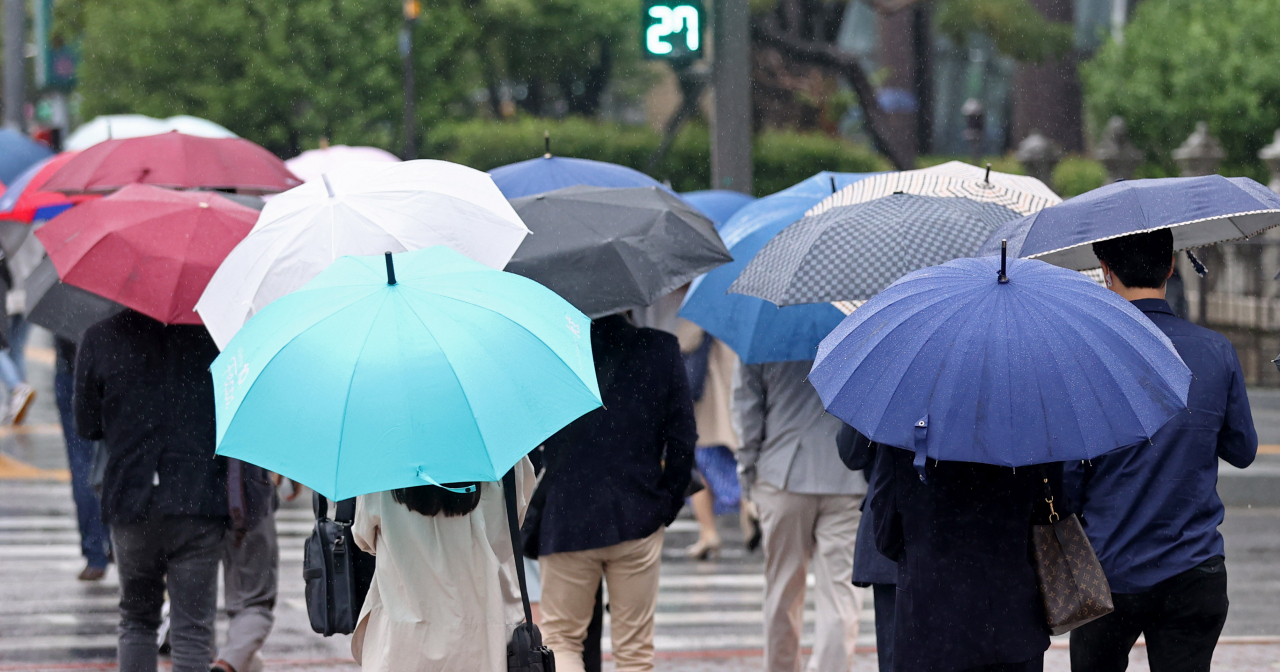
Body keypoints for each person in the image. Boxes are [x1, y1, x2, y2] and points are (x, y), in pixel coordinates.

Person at [1066, 229, 1257, 672]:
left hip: (1108, 571)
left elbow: (1070, 476)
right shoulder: (1215, 350)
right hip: (1194, 567)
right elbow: (1243, 450)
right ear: (1171, 267)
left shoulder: (1087, 354)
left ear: (1106, 272)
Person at [537, 313, 695, 672]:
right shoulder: (660, 349)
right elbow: (683, 441)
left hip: (567, 516)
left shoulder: (556, 353)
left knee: (562, 641)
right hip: (637, 513)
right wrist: (665, 507)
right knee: (634, 653)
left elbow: (533, 441)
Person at [74, 309, 227, 672]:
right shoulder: (215, 338)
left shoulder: (100, 336)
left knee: (137, 620)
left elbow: (87, 425)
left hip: (132, 498)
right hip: (198, 498)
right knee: (192, 631)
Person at [870, 446, 1058, 672]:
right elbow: (1051, 514)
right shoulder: (1030, 437)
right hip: (1013, 623)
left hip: (931, 623)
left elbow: (886, 537)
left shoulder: (905, 440)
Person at [733, 360, 865, 672]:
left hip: (784, 470)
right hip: (846, 476)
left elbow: (747, 409)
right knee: (841, 595)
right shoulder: (856, 326)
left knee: (782, 590)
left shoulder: (765, 332)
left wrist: (747, 471)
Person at [350, 457, 535, 672]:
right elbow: (515, 518)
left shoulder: (385, 458)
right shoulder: (500, 448)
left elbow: (363, 537)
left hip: (404, 629)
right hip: (485, 623)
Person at [676, 319, 740, 559]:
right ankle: (749, 510)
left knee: (697, 465)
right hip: (732, 397)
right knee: (741, 461)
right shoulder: (744, 311)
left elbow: (684, 341)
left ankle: (708, 531)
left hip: (707, 403)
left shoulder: (703, 308)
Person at [837, 426, 897, 672]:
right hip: (972, 536)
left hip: (897, 529)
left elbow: (853, 453)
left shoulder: (891, 387)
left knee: (897, 652)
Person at [211, 461, 280, 672]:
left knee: (191, 608)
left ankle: (205, 659)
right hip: (246, 497)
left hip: (190, 500)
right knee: (254, 600)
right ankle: (228, 662)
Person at [55, 336, 110, 580]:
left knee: (82, 463)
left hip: (72, 371)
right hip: (114, 369)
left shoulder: (68, 301)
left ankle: (95, 552)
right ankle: (116, 536)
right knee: (116, 457)